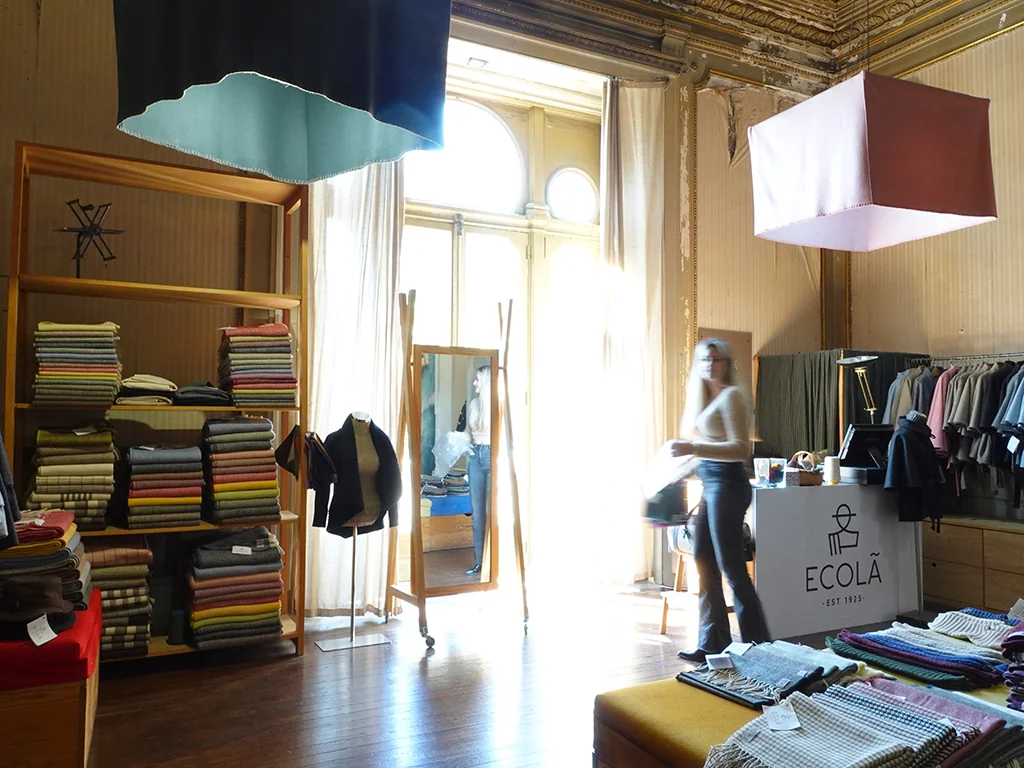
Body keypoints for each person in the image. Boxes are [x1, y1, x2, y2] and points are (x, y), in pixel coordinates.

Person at [672, 339, 770, 661]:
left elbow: (740, 449)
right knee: (702, 560)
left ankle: (758, 648)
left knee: (732, 568)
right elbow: (706, 450)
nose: (709, 366)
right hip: (711, 483)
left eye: (715, 360)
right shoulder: (706, 399)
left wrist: (694, 449)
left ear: (726, 363)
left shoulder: (732, 397)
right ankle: (713, 642)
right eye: (704, 360)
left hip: (728, 484)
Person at [463, 365, 491, 576]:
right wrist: (455, 441)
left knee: (492, 512)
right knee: (477, 515)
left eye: (478, 380)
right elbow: (467, 434)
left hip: (492, 455)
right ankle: (479, 562)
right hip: (474, 456)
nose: (474, 384)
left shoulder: (497, 405)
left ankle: (494, 563)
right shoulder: (473, 404)